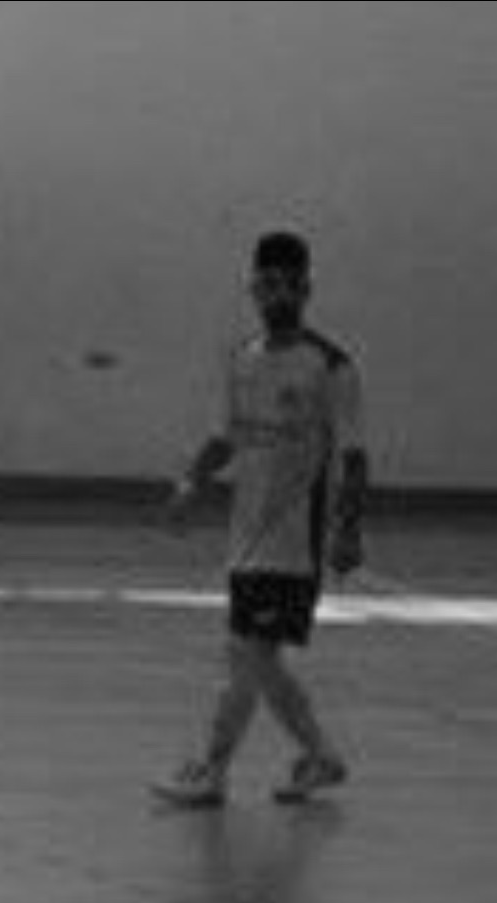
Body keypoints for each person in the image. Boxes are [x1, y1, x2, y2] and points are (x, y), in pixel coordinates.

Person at [153, 230, 368, 808]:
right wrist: (189, 484)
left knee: (246, 655)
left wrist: (348, 529)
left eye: (285, 284)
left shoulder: (331, 367)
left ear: (305, 289)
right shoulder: (242, 359)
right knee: (260, 660)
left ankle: (212, 771)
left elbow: (354, 457)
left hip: (294, 544)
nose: (275, 295)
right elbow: (225, 438)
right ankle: (320, 757)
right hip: (244, 541)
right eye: (265, 284)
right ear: (252, 288)